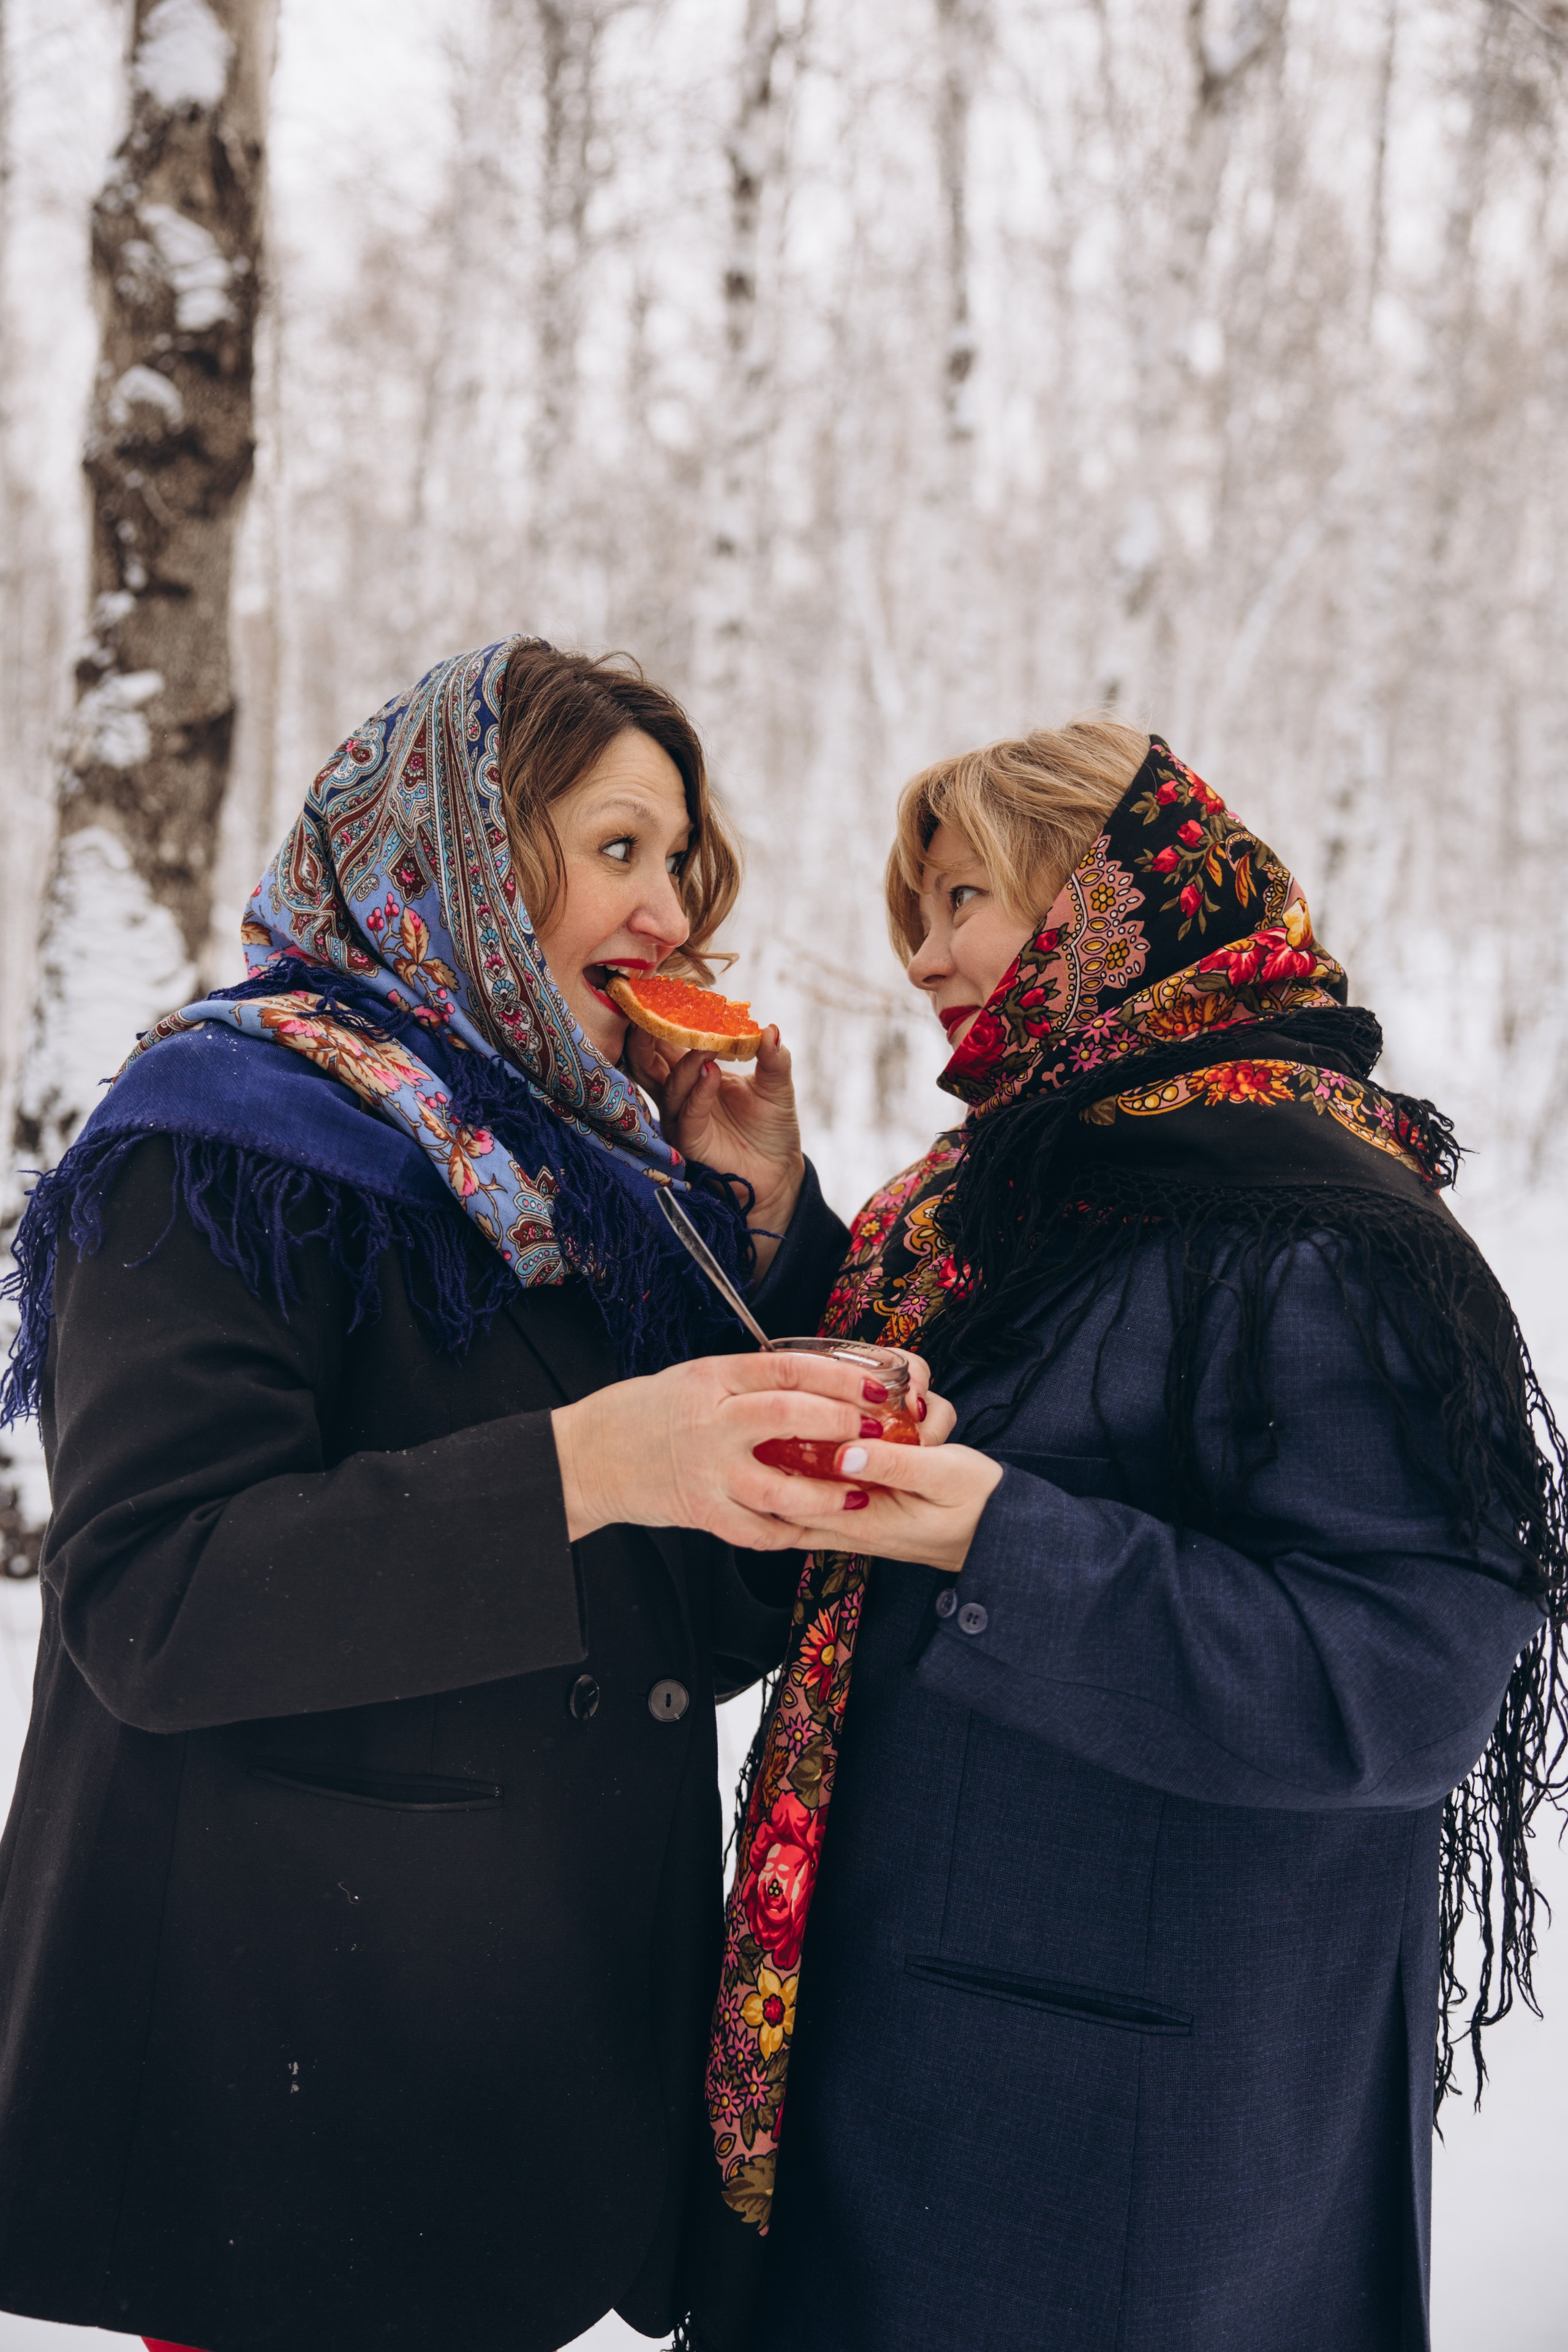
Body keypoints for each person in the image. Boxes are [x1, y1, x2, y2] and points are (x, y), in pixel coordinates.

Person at [0, 638, 928, 2352]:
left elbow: (713, 1613)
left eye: (683, 863)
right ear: (447, 852)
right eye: (618, 848)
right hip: (295, 2075)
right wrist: (600, 1461)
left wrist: (764, 1223)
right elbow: (154, 1597)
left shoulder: (584, 1176)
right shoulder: (219, 1137)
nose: (668, 913)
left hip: (531, 2052)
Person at [690, 720, 1567, 2352]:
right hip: (929, 2058)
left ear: (1116, 902)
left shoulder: (1315, 1227)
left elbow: (1405, 1681)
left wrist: (1006, 1547)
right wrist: (773, 1211)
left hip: (1121, 2138)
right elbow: (955, 1406)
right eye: (917, 914)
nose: (928, 956)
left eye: (962, 899)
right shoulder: (1018, 1185)